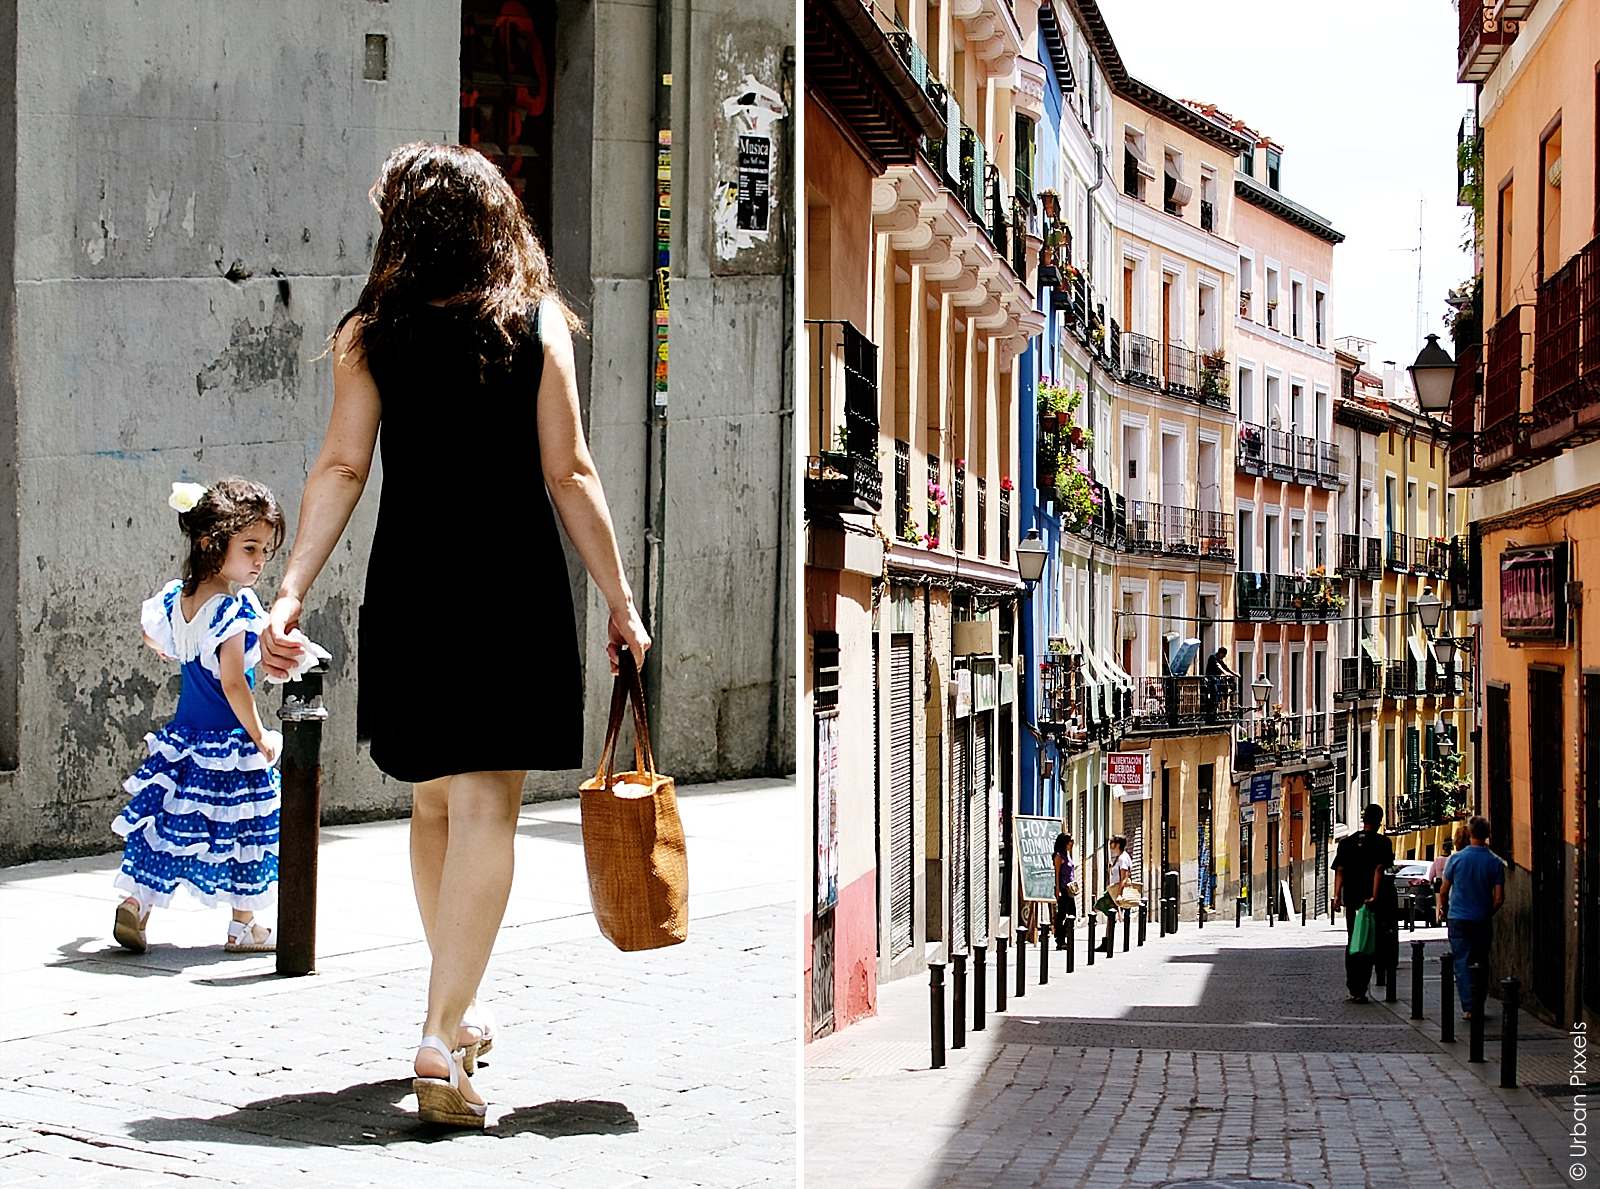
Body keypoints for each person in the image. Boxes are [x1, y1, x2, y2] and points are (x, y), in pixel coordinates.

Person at [258, 144, 651, 1129]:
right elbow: (572, 473)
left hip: (413, 586)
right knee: (485, 813)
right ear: (494, 222)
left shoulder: (371, 333)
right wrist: (619, 597)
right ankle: (442, 1030)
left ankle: (456, 1010)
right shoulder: (538, 323)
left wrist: (290, 587)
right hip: (507, 585)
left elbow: (341, 467)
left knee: (434, 806)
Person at [112, 479, 287, 955]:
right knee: (244, 830)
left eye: (265, 551)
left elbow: (154, 639)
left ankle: (137, 902)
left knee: (166, 822)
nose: (258, 561)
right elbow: (234, 683)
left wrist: (174, 649)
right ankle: (243, 926)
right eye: (249, 548)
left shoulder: (178, 600)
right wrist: (261, 737)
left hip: (183, 739)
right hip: (227, 743)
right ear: (211, 543)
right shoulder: (231, 611)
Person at [1437, 816, 1505, 1019]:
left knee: (1462, 962)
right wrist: (1487, 912)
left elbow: (1443, 889)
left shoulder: (1456, 859)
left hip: (1458, 918)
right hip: (1481, 920)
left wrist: (1445, 908)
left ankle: (1469, 1007)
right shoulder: (1494, 862)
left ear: (1470, 833)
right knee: (1481, 961)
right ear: (1487, 835)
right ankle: (1479, 1004)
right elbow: (1499, 898)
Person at [1331, 803, 1395, 1003]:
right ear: (1379, 822)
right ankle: (1362, 987)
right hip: (1372, 903)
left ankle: (1354, 986)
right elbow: (1378, 870)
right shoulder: (1383, 843)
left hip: (1351, 900)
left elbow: (1339, 871)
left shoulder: (1346, 843)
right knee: (1368, 942)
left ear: (1363, 819)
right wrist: (1374, 896)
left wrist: (1336, 897)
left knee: (1353, 940)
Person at [1098, 835, 1132, 955]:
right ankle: (1106, 941)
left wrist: (1119, 894)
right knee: (1108, 914)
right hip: (1113, 890)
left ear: (1117, 844)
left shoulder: (1123, 858)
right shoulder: (1119, 857)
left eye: (1112, 842)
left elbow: (1124, 877)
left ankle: (1107, 942)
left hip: (1116, 891)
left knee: (1101, 905)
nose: (1110, 844)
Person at [1052, 832, 1078, 951]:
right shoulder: (1059, 856)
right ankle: (1060, 940)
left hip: (1070, 889)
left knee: (1072, 912)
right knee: (1062, 914)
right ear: (1065, 843)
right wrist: (1057, 889)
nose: (1072, 843)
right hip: (1063, 888)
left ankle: (1066, 936)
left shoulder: (1067, 854)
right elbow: (1056, 874)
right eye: (1070, 841)